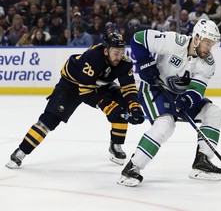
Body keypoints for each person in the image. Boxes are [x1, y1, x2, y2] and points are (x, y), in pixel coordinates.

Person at [6, 32, 144, 169]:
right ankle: (21, 151)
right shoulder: (93, 57)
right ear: (106, 50)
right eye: (116, 52)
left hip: (98, 84)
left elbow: (129, 88)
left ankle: (115, 145)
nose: (119, 57)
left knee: (123, 105)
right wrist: (107, 106)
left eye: (122, 52)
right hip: (71, 85)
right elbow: (85, 93)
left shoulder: (125, 63)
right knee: (50, 119)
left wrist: (134, 106)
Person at [117, 19, 221, 187]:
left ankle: (201, 162)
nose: (209, 49)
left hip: (179, 97)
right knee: (166, 124)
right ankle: (132, 168)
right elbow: (137, 39)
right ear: (196, 38)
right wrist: (144, 62)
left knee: (214, 113)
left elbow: (196, 90)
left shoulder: (208, 63)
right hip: (154, 90)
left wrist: (186, 100)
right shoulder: (172, 41)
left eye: (212, 44)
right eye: (207, 43)